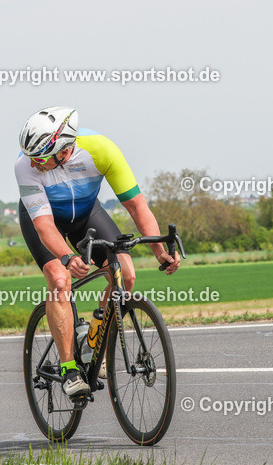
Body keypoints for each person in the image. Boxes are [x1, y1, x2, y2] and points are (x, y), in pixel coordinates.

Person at [15, 106, 180, 399]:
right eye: (32, 157)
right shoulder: (25, 167)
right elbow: (45, 228)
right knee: (59, 279)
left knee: (125, 276)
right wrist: (68, 257)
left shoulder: (101, 150)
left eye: (41, 157)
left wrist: (158, 250)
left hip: (87, 214)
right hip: (44, 221)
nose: (35, 163)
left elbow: (136, 206)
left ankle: (90, 339)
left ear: (64, 149)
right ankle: (68, 369)